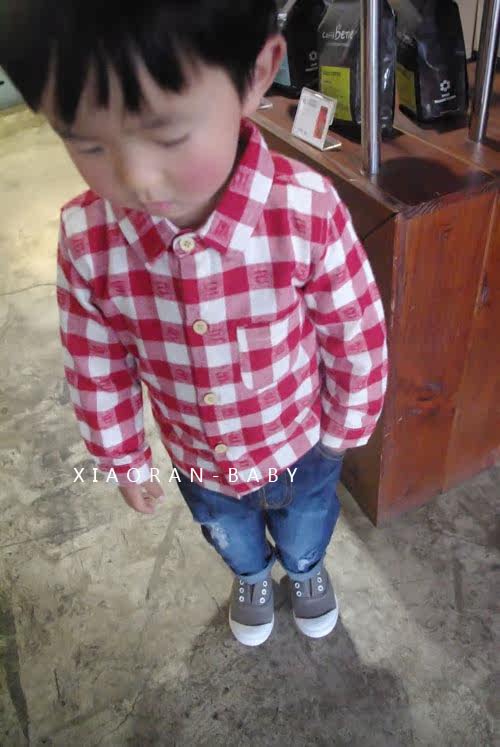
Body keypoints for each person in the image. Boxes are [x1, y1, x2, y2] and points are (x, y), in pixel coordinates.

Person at [1, 0, 388, 646]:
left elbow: (354, 329)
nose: (136, 179)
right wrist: (122, 457)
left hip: (301, 444)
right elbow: (97, 365)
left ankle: (305, 568)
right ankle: (251, 574)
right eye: (88, 143)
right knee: (228, 533)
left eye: (167, 134)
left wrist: (345, 428)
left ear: (256, 73)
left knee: (307, 525)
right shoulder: (88, 241)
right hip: (199, 459)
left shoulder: (304, 210)